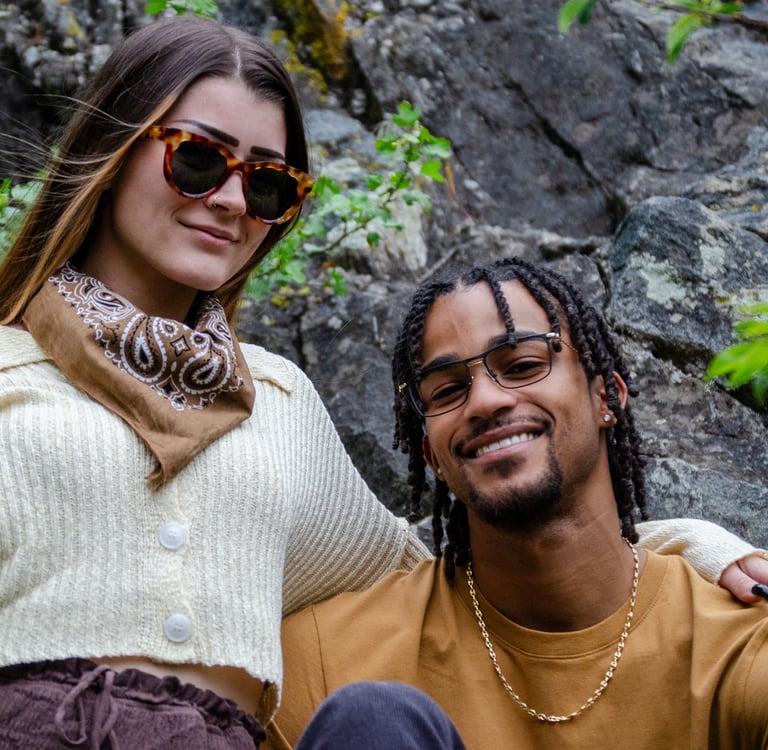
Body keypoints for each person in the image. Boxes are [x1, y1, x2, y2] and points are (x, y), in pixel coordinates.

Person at [0, 15, 763, 750]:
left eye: (267, 185)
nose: (232, 202)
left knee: (377, 720)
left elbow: (448, 551)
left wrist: (686, 544)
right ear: (111, 149)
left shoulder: (278, 402)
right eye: (198, 158)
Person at [267, 257, 768, 750]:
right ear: (431, 455)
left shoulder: (738, 642)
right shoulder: (328, 659)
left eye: (525, 364)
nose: (484, 401)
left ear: (607, 400)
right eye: (447, 391)